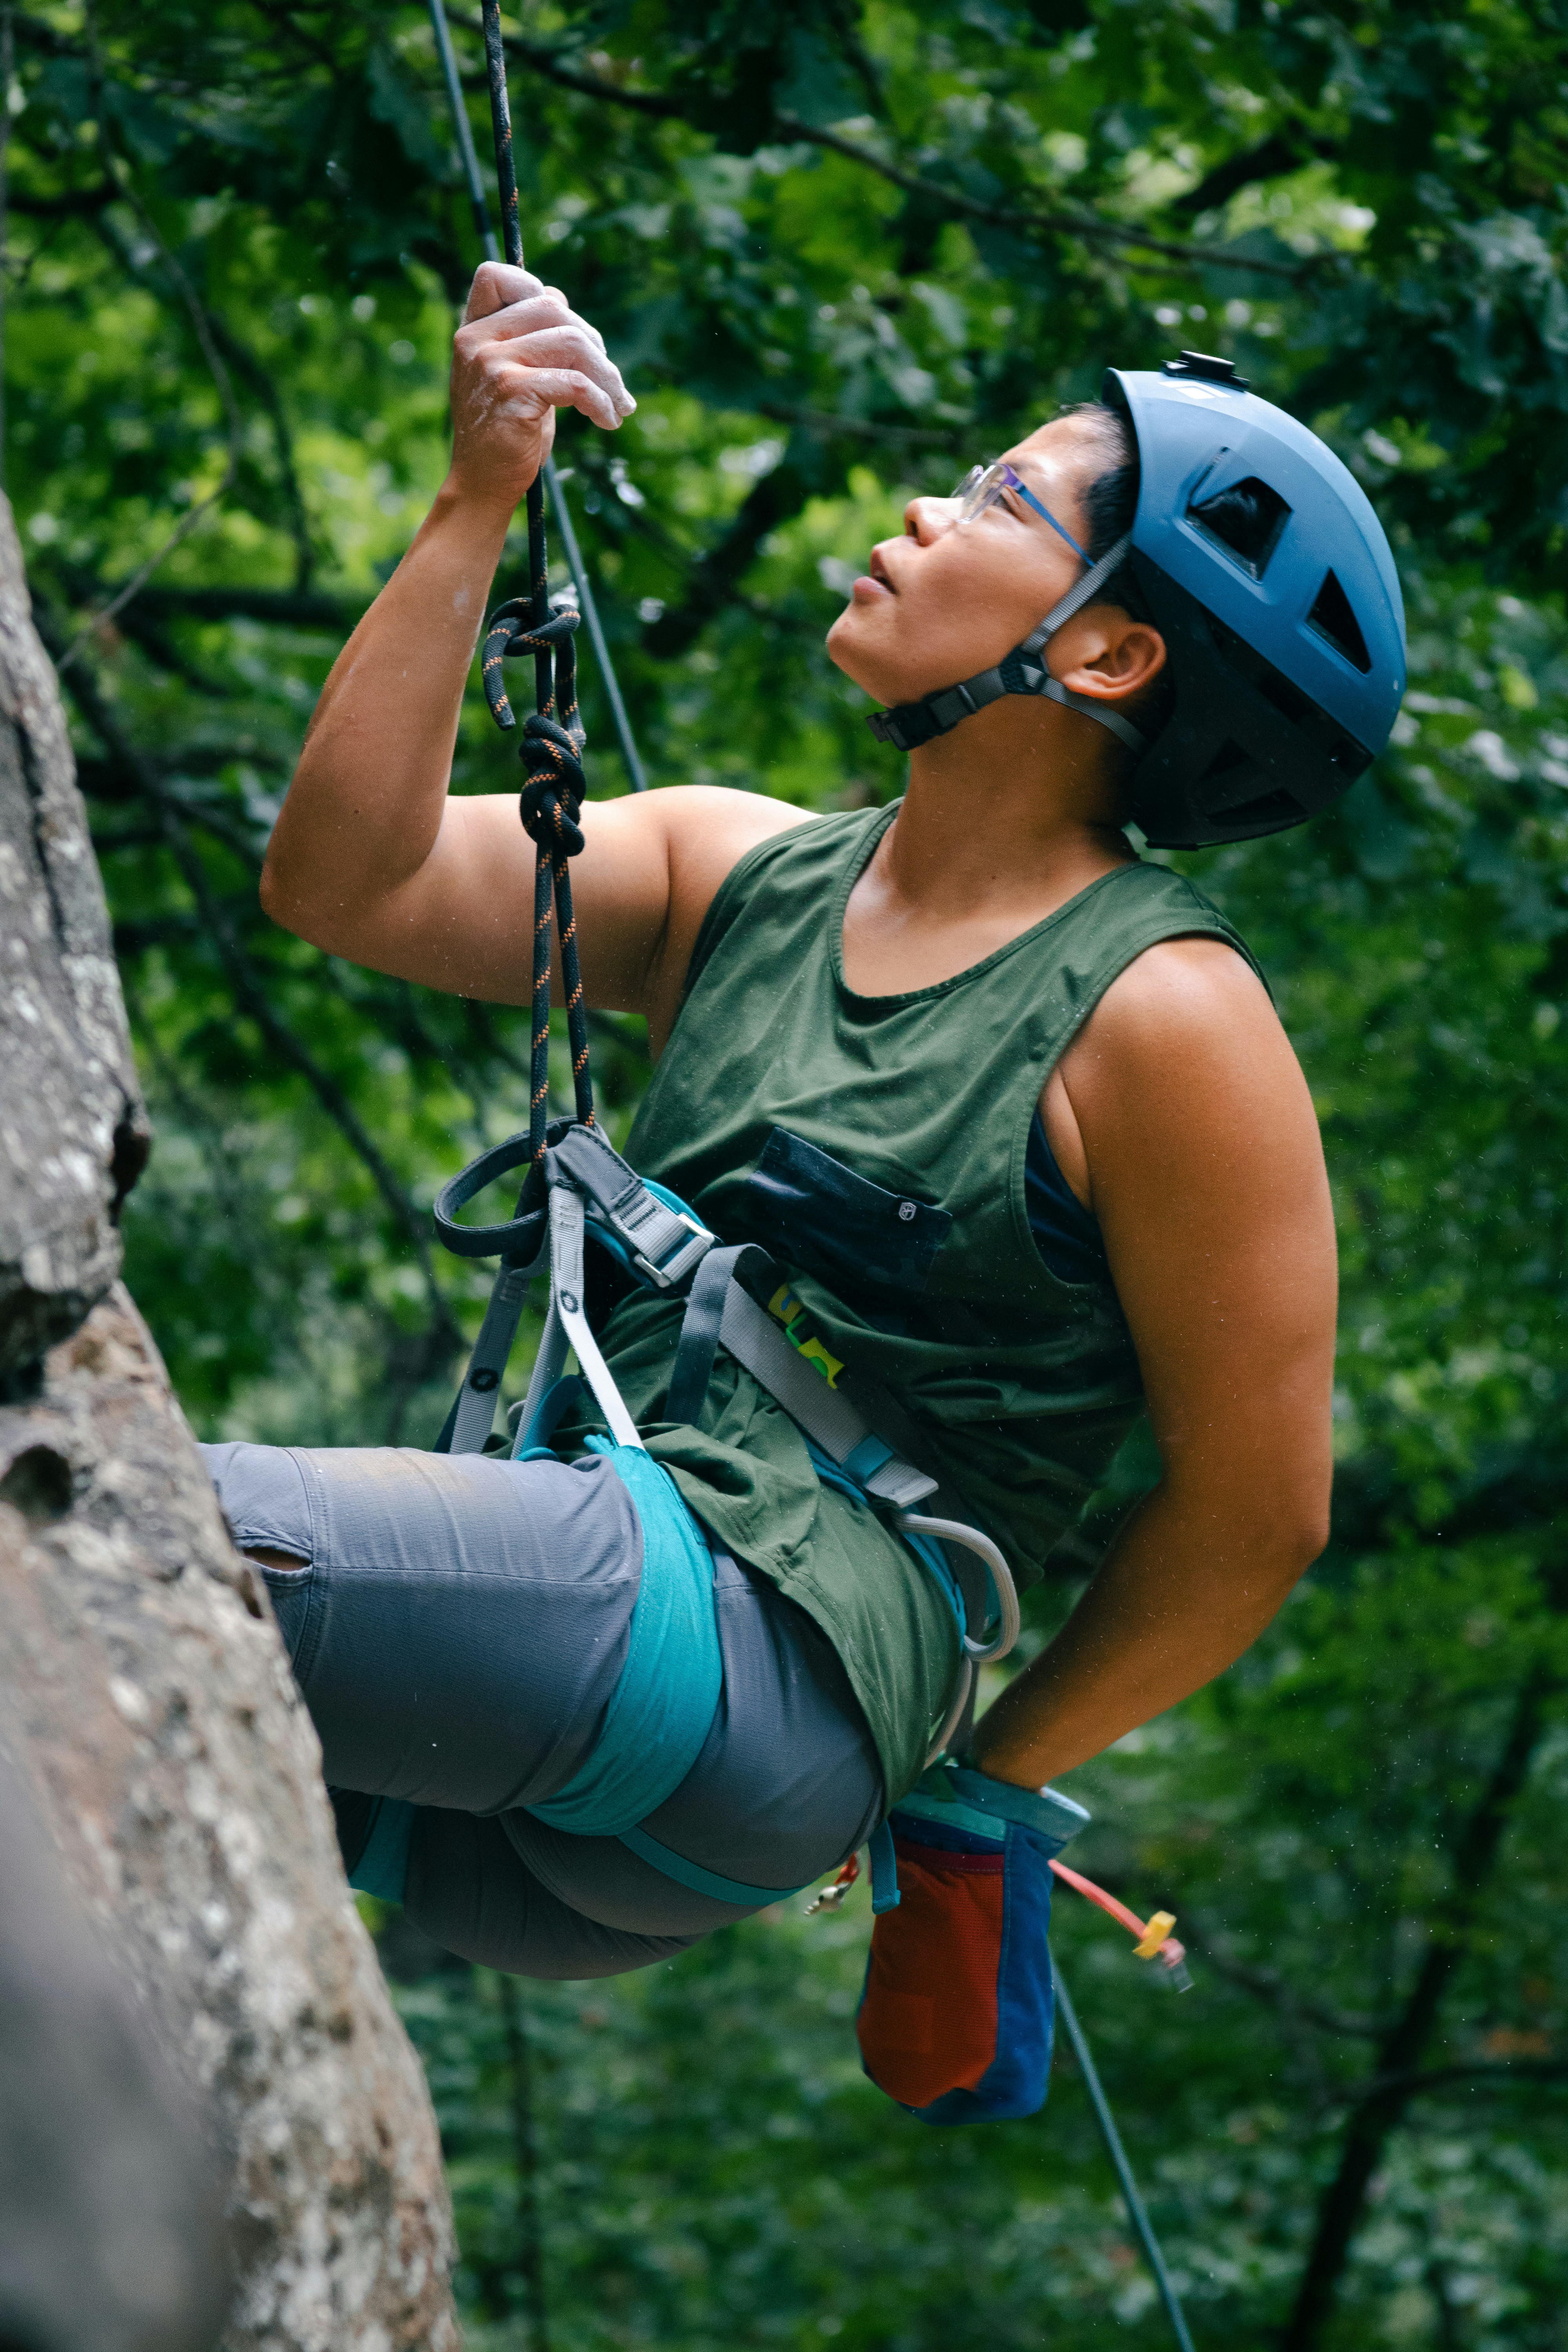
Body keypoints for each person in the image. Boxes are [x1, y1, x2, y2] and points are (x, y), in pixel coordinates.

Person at [215, 260, 1397, 1980]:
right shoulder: (734, 872)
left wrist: (981, 1796)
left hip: (760, 1689)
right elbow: (348, 880)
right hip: (568, 1732)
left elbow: (1256, 1513)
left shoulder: (1164, 1022)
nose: (924, 510)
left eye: (1000, 499)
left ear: (1109, 650)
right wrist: (479, 503)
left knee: (112, 1531)